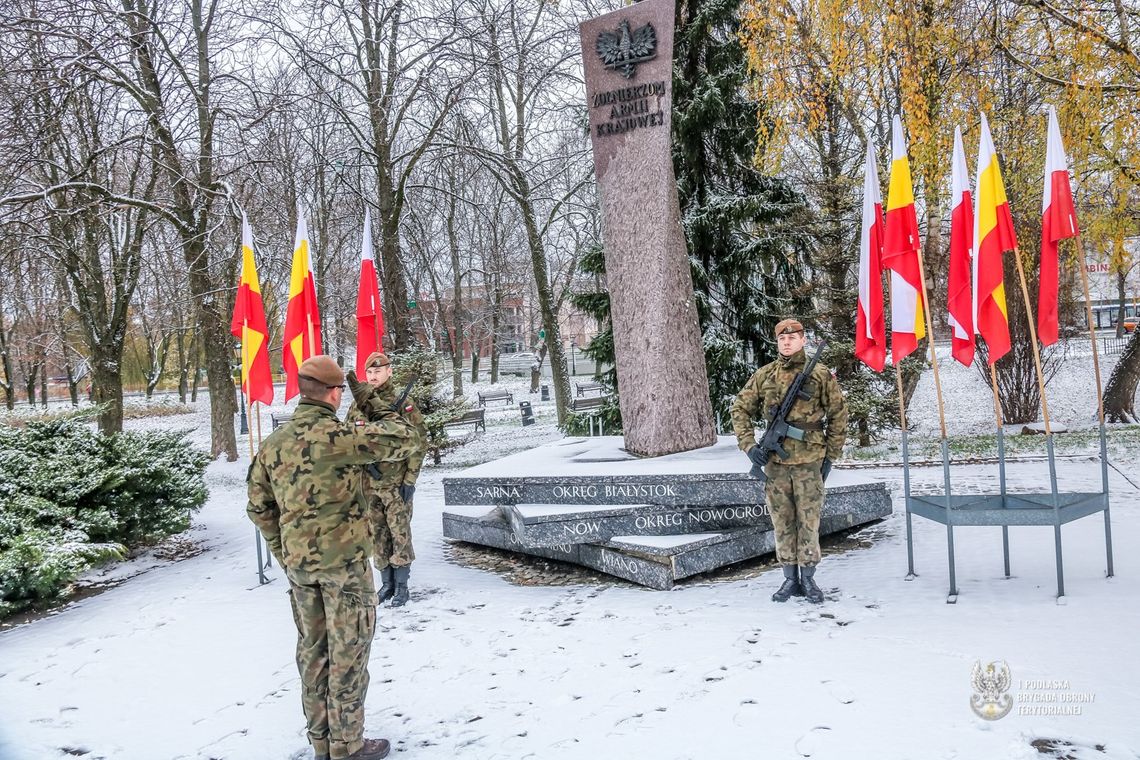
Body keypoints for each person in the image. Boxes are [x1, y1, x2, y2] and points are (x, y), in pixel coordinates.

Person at [247, 355, 421, 760]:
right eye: (343, 390)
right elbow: (406, 437)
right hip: (345, 569)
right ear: (333, 392)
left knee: (313, 653)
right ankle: (347, 746)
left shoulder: (275, 444)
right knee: (348, 654)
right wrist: (370, 395)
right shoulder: (341, 437)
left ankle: (321, 743)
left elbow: (259, 507)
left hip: (301, 571)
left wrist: (286, 552)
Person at [730, 319, 848, 604]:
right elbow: (739, 409)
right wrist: (748, 447)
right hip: (775, 464)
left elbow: (839, 415)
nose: (787, 342)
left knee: (809, 522)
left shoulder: (819, 375)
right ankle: (789, 579)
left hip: (809, 462)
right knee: (782, 523)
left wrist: (830, 456)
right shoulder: (765, 375)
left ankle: (808, 579)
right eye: (782, 338)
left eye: (792, 337)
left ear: (803, 340)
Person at [345, 352, 427, 607]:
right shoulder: (358, 404)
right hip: (369, 483)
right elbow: (347, 437)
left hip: (396, 482)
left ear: (389, 372)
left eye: (378, 371)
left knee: (399, 532)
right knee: (377, 533)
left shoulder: (403, 402)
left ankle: (402, 585)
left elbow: (419, 442)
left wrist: (410, 480)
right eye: (369, 372)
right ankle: (387, 583)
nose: (373, 376)